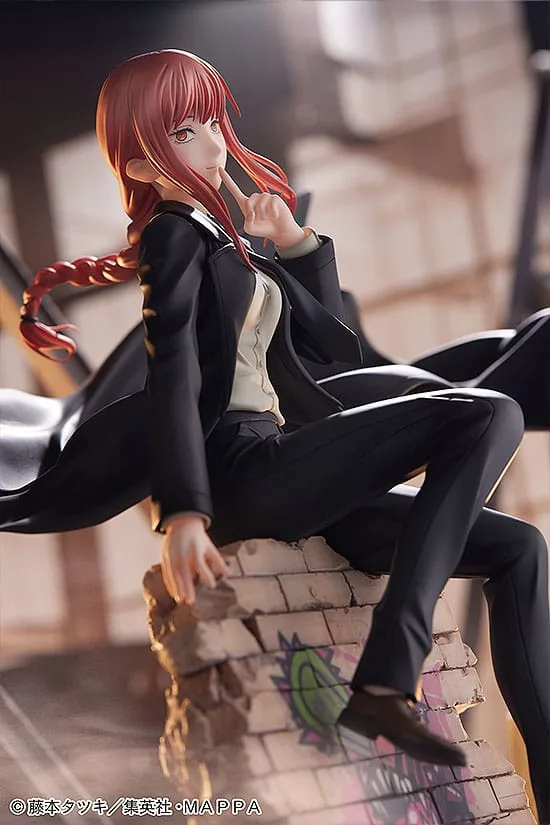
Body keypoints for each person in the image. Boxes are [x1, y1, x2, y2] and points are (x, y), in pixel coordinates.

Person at [3, 51, 548, 815]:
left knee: (519, 546)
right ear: (142, 164)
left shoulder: (232, 239)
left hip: (293, 466)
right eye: (184, 133)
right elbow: (174, 373)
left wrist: (291, 243)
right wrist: (184, 511)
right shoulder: (172, 239)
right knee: (487, 412)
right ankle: (389, 672)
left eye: (212, 122)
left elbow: (334, 350)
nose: (213, 145)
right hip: (244, 472)